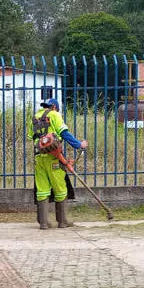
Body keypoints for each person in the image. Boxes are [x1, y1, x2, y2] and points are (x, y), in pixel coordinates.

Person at [28, 98, 87, 229]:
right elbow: (64, 133)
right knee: (60, 189)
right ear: (54, 107)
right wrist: (79, 144)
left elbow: (31, 137)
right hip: (54, 158)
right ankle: (63, 221)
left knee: (42, 189)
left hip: (39, 158)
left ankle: (43, 223)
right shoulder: (54, 114)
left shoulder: (35, 117)